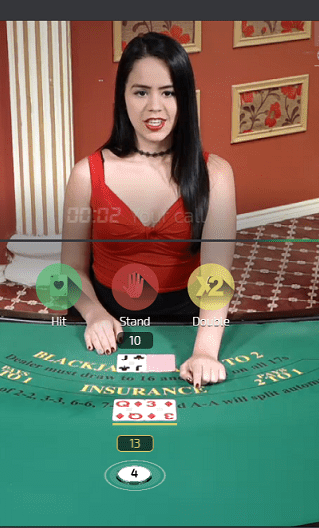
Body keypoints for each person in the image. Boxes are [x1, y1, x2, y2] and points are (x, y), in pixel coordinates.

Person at [60, 32, 236, 388]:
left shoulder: (216, 174)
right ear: (122, 97)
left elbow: (215, 275)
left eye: (168, 93)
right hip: (107, 320)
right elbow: (71, 270)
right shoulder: (85, 175)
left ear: (185, 98)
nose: (155, 107)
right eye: (141, 92)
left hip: (187, 322)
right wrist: (94, 314)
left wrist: (204, 352)